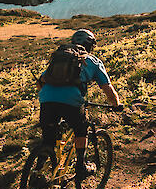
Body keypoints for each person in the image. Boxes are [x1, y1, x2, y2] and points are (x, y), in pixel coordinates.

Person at [37, 28, 122, 180]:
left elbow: (41, 81)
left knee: (48, 138)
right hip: (72, 101)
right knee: (81, 129)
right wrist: (116, 104)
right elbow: (107, 88)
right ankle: (80, 166)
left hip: (46, 99)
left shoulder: (60, 57)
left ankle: (37, 172)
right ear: (90, 46)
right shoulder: (93, 61)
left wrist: (49, 96)